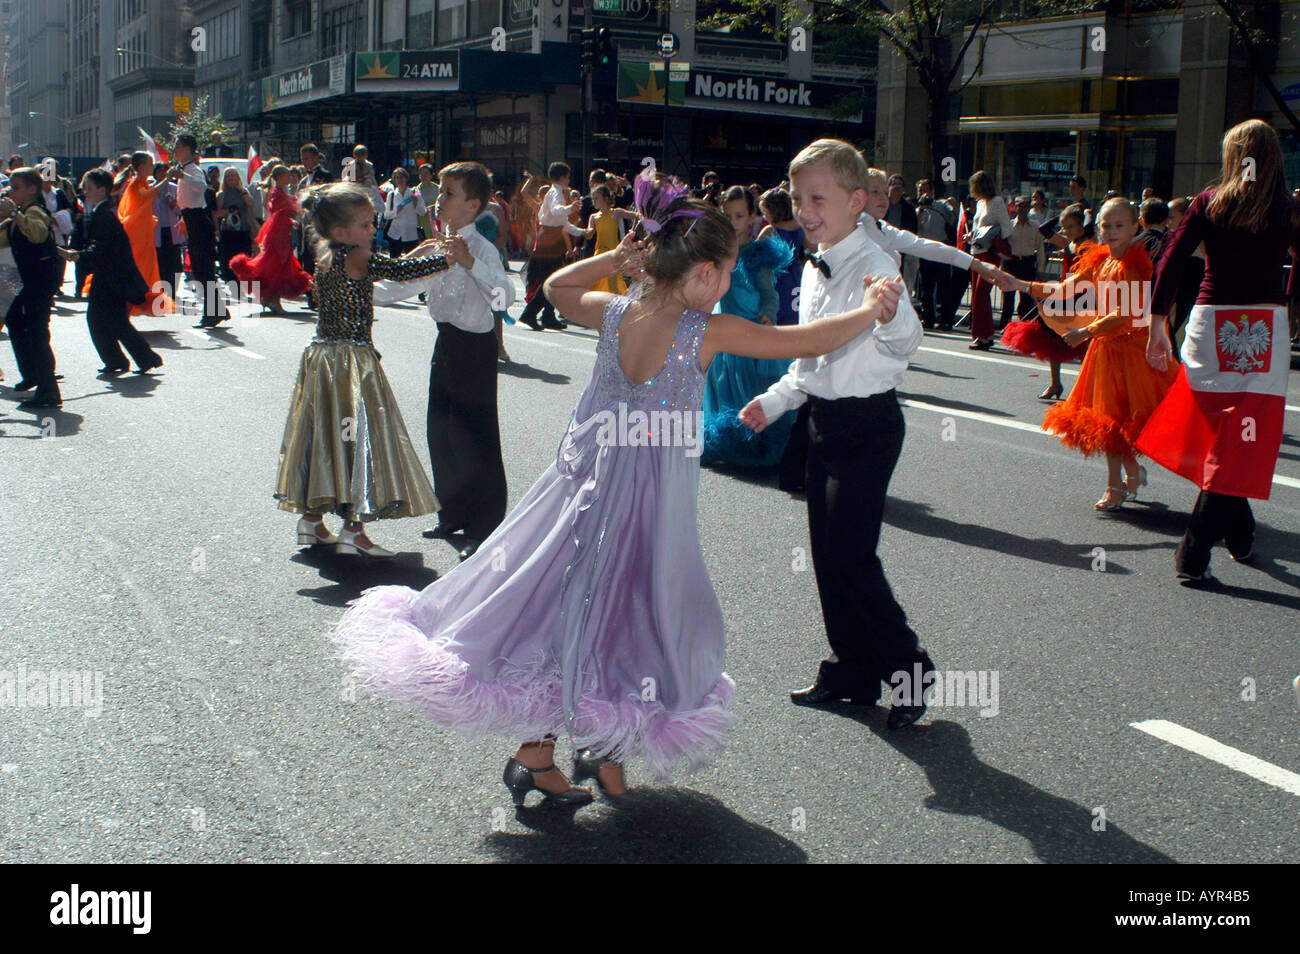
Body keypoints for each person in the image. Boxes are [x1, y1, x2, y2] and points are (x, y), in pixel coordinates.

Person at [331, 168, 903, 802]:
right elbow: (804, 339)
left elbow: (553, 285)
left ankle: (594, 752)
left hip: (580, 490)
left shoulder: (612, 312)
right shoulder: (704, 331)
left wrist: (611, 256)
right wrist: (872, 310)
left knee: (562, 606)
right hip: (644, 505)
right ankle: (544, 754)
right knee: (627, 618)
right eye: (727, 273)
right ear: (706, 272)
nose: (726, 289)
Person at [739, 139, 936, 730]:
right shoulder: (814, 259)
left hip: (869, 424)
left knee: (852, 556)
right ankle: (853, 669)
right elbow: (811, 360)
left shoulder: (876, 264)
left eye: (817, 197)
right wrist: (774, 402)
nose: (805, 208)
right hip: (823, 421)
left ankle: (910, 669)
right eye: (798, 197)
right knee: (829, 558)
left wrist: (891, 310)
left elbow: (907, 343)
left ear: (857, 202)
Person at [1137, 119, 1300, 581]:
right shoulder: (1286, 210)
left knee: (1221, 434)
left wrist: (1157, 326)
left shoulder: (1208, 203)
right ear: (1275, 159)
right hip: (1264, 326)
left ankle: (1240, 531)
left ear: (1233, 158)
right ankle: (1195, 549)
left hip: (1211, 325)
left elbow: (1169, 261)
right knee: (1245, 432)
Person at [275, 182, 452, 557]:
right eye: (367, 224)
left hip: (322, 359)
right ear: (341, 232)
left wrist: (420, 251)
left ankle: (311, 520)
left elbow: (390, 267)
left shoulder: (327, 257)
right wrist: (445, 258)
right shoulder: (358, 257)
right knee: (360, 441)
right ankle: (353, 529)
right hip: (353, 363)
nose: (374, 230)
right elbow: (400, 271)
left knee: (326, 438)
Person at [371, 161, 515, 563]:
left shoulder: (482, 250)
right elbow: (403, 285)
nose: (438, 202)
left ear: (472, 205)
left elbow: (504, 300)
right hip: (446, 342)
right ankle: (451, 512)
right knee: (442, 430)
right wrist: (356, 287)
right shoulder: (439, 245)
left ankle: (483, 528)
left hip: (476, 347)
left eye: (448, 195)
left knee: (477, 439)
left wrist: (471, 264)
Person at [996, 197, 1177, 511]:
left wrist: (1085, 332)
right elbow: (1066, 288)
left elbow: (1127, 313)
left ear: (1136, 227)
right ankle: (1115, 483)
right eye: (1106, 225)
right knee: (1105, 421)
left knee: (1127, 420)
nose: (1111, 231)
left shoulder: (1136, 264)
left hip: (1132, 349)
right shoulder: (1099, 259)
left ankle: (1130, 472)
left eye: (1120, 225)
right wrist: (1021, 284)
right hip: (1105, 349)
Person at [700, 184, 795, 468]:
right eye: (727, 215)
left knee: (750, 395)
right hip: (724, 338)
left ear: (752, 217)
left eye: (739, 215)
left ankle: (754, 446)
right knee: (724, 393)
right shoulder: (714, 255)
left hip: (751, 336)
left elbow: (769, 293)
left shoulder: (756, 256)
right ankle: (729, 446)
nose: (733, 222)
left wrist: (768, 313)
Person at [57, 169, 161, 377]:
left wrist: (76, 256)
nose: (85, 192)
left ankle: (131, 359)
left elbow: (100, 247)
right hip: (111, 275)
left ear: (102, 190)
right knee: (108, 320)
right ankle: (128, 359)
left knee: (104, 320)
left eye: (89, 188)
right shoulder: (102, 211)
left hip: (112, 276)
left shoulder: (104, 214)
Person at [1000, 203, 1094, 400]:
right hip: (1063, 294)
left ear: (1081, 227)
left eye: (1070, 226)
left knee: (1084, 344)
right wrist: (1068, 212)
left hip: (1082, 296)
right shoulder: (1068, 243)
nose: (1065, 231)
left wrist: (1086, 213)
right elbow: (1044, 229)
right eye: (1064, 227)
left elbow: (1090, 228)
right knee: (1050, 338)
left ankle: (1086, 388)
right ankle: (1055, 383)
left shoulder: (1089, 244)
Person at [0, 168, 62, 408]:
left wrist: (13, 213)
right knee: (15, 319)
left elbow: (37, 234)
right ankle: (31, 374)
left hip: (39, 280)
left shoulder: (34, 210)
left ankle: (48, 392)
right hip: (25, 279)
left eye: (16, 187)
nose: (11, 191)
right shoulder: (20, 213)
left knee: (37, 332)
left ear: (32, 190)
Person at [230, 165, 312, 315]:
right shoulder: (277, 193)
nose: (289, 178)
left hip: (282, 233)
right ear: (280, 177)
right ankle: (272, 299)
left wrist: (290, 219)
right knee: (275, 265)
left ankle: (271, 298)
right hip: (277, 235)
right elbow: (280, 211)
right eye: (287, 175)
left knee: (280, 266)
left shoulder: (281, 192)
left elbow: (283, 212)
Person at [518, 162, 586, 331]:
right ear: (562, 176)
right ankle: (531, 313)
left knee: (552, 279)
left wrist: (583, 231)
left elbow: (563, 224)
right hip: (549, 240)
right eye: (568, 176)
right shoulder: (556, 192)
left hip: (551, 239)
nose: (569, 179)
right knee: (551, 280)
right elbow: (557, 211)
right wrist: (571, 207)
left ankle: (545, 315)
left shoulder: (557, 192)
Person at [169, 135, 227, 327]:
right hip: (192, 220)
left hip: (199, 221)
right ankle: (218, 309)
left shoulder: (192, 169)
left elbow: (203, 187)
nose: (174, 149)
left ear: (187, 149)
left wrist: (182, 176)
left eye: (177, 146)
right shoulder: (184, 170)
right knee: (199, 269)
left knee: (203, 269)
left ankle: (213, 312)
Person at [111, 152, 175, 318]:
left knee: (145, 268)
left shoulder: (142, 182)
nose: (152, 167)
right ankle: (126, 306)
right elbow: (148, 196)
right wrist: (167, 179)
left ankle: (138, 303)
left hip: (144, 234)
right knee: (137, 268)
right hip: (137, 236)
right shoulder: (136, 183)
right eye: (150, 163)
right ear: (141, 167)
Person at [966, 170, 1013, 349]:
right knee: (978, 296)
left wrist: (991, 233)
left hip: (989, 252)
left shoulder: (996, 202)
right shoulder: (980, 203)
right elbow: (979, 226)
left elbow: (1007, 228)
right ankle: (980, 334)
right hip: (976, 251)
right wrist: (971, 235)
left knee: (981, 294)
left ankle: (985, 334)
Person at [757, 187, 808, 327]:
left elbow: (753, 257)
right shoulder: (802, 228)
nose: (764, 217)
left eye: (765, 213)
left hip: (779, 280)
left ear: (772, 211)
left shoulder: (770, 231)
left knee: (781, 318)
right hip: (799, 276)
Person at [582, 184, 637, 293]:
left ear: (606, 198)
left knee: (613, 283)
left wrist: (633, 230)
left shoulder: (616, 213)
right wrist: (588, 232)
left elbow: (637, 215)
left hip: (613, 253)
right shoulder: (593, 217)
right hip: (599, 252)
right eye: (593, 198)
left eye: (597, 198)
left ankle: (615, 304)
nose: (594, 201)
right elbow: (589, 236)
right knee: (595, 281)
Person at [216, 166, 257, 283]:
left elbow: (251, 203)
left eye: (233, 175)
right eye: (228, 176)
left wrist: (241, 189)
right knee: (229, 256)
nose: (230, 178)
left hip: (243, 229)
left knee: (244, 255)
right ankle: (230, 279)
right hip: (228, 230)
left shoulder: (244, 191)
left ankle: (243, 279)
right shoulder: (222, 194)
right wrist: (229, 211)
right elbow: (217, 213)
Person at [381, 167, 427, 258]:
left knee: (412, 260)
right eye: (397, 178)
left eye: (401, 177)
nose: (399, 180)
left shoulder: (415, 192)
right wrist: (396, 211)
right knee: (394, 260)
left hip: (411, 233)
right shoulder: (392, 194)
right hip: (395, 233)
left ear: (406, 178)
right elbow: (386, 215)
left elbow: (422, 212)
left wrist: (416, 204)